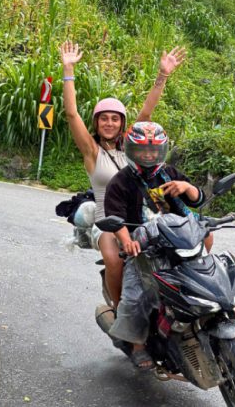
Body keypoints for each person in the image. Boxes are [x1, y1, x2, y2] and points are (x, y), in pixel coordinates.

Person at [59, 41, 186, 310]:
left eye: (115, 119)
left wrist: (163, 76)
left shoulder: (133, 148)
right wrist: (68, 70)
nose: (109, 123)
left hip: (143, 216)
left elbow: (147, 113)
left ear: (122, 124)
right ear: (96, 123)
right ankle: (121, 311)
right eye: (103, 118)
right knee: (114, 259)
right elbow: (71, 114)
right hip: (109, 220)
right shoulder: (92, 151)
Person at [103, 121, 211, 369]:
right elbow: (115, 217)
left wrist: (187, 187)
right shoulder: (121, 181)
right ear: (131, 151)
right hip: (143, 246)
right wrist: (127, 241)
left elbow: (198, 201)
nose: (149, 155)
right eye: (143, 150)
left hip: (177, 241)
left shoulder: (170, 174)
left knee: (205, 274)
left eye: (154, 150)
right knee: (135, 295)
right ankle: (137, 345)